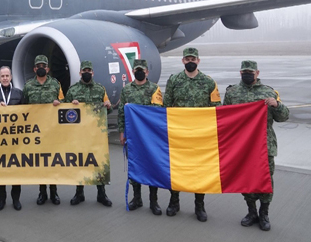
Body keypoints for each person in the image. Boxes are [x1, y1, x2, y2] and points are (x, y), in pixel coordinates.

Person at [223, 60, 289, 231]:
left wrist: (276, 105)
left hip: (264, 145)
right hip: (242, 146)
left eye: (250, 72)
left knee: (266, 180)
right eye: (244, 72)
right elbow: (225, 117)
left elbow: (283, 117)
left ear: (257, 73)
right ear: (240, 73)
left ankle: (264, 213)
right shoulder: (232, 93)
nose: (247, 75)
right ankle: (251, 212)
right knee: (246, 179)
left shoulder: (269, 92)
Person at [163, 47, 221, 221]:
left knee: (199, 170)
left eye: (193, 59)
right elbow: (166, 106)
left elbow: (217, 109)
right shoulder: (174, 80)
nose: (190, 62)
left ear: (198, 61)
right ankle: (174, 202)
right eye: (187, 59)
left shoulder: (208, 82)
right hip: (178, 133)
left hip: (200, 135)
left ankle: (199, 206)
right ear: (183, 61)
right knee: (177, 167)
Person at [64, 61, 113, 207]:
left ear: (93, 73)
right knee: (79, 162)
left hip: (97, 134)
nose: (87, 73)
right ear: (80, 73)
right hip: (79, 134)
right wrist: (71, 105)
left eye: (89, 71)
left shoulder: (100, 89)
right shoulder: (72, 90)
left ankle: (101, 193)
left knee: (99, 162)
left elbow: (107, 109)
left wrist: (108, 106)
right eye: (84, 71)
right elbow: (64, 112)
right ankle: (79, 193)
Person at [117, 59, 164, 215]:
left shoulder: (154, 89)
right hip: (132, 135)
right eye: (136, 70)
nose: (139, 72)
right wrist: (122, 132)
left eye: (142, 70)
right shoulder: (127, 90)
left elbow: (157, 110)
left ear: (147, 72)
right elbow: (121, 112)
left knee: (152, 165)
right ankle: (137, 198)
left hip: (150, 135)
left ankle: (153, 201)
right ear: (133, 71)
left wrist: (135, 109)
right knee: (134, 164)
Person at [22, 55, 64, 205]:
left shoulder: (55, 84)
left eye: (43, 66)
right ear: (34, 69)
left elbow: (64, 102)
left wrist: (59, 103)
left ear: (48, 68)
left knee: (52, 162)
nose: (41, 68)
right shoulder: (28, 86)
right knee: (40, 163)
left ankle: (54, 192)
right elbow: (24, 107)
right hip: (36, 132)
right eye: (38, 66)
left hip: (51, 131)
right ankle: (42, 192)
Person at [0, 66, 24, 211]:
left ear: (11, 77)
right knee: (1, 170)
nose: (5, 78)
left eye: (7, 75)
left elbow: (27, 114)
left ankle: (16, 199)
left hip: (15, 139)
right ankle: (1, 199)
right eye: (2, 76)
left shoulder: (18, 93)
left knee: (16, 170)